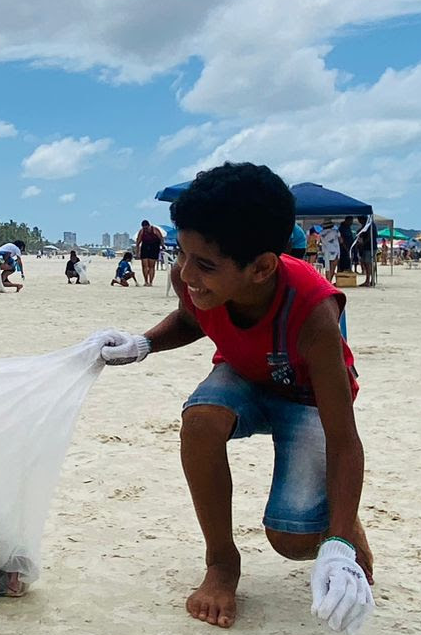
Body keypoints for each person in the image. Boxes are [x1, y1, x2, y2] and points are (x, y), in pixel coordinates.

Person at [87, 162, 373, 633]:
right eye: (182, 254)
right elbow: (194, 319)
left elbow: (343, 439)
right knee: (199, 420)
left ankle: (339, 520)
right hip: (242, 376)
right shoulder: (191, 279)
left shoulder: (313, 312)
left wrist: (338, 543)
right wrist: (143, 344)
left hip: (306, 398)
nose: (186, 274)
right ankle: (221, 563)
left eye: (205, 265)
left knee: (292, 541)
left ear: (262, 267)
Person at [135, 220, 164, 287]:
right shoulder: (141, 231)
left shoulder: (155, 230)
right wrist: (137, 252)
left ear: (149, 226)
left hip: (154, 247)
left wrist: (162, 246)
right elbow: (138, 242)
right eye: (144, 228)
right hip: (145, 246)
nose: (145, 229)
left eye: (146, 228)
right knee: (144, 266)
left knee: (151, 266)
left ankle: (150, 282)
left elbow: (161, 238)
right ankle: (146, 281)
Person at [354, 216, 374, 287]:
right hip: (365, 248)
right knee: (366, 263)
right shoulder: (366, 226)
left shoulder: (369, 226)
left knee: (368, 263)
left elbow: (370, 237)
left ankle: (369, 280)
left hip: (368, 247)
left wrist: (363, 242)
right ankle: (369, 280)